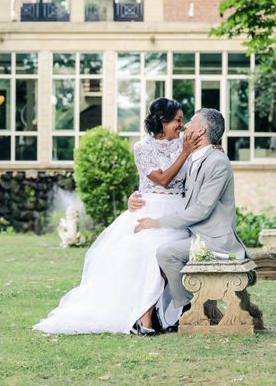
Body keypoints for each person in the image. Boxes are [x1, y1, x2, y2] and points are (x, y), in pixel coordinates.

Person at [33, 98, 203, 335]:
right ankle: (145, 317)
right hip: (149, 209)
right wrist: (185, 152)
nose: (181, 125)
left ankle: (155, 316)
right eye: (177, 120)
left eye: (182, 121)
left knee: (160, 253)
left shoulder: (183, 144)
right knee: (145, 251)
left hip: (177, 212)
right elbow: (162, 179)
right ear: (162, 121)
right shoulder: (143, 148)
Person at [131, 108, 248, 317]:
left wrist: (156, 222)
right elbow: (167, 185)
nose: (185, 126)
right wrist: (135, 197)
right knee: (155, 249)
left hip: (215, 241)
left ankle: (190, 309)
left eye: (190, 123)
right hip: (196, 235)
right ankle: (189, 308)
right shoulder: (196, 157)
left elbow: (201, 210)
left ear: (201, 131)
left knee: (166, 253)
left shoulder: (217, 162)